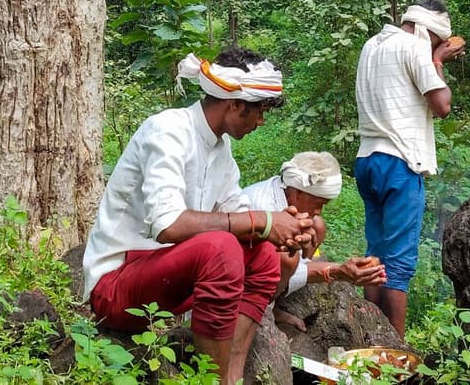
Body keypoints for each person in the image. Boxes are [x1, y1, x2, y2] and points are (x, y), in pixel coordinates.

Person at [81, 47, 317, 384]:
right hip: (117, 286)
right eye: (259, 111)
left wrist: (285, 229)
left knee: (263, 254)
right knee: (220, 248)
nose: (261, 121)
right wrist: (261, 222)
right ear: (235, 105)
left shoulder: (220, 150)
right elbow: (168, 224)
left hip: (166, 280)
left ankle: (229, 377)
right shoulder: (167, 130)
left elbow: (238, 213)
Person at [353, 0, 464, 338]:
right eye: (436, 41)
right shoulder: (417, 48)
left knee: (375, 255)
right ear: (425, 30)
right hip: (399, 164)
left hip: (366, 159)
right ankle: (397, 350)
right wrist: (437, 60)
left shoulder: (371, 45)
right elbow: (442, 105)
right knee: (398, 263)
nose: (438, 47)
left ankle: (367, 338)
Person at [241, 152, 387, 330]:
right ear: (297, 193)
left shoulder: (285, 193)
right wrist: (337, 271)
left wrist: (339, 270)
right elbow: (278, 264)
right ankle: (262, 309)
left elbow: (297, 265)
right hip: (241, 277)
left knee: (317, 225)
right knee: (287, 258)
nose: (319, 211)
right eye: (318, 203)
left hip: (265, 268)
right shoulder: (265, 205)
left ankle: (274, 303)